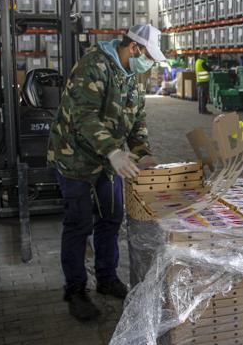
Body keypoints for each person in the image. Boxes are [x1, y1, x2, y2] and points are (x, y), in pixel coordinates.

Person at [47, 24, 165, 321]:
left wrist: (143, 154)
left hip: (109, 161)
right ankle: (75, 290)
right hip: (74, 158)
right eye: (149, 57)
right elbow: (83, 115)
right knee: (79, 223)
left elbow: (137, 120)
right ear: (135, 48)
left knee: (111, 217)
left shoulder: (133, 78)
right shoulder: (94, 65)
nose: (149, 64)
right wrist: (113, 151)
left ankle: (107, 278)